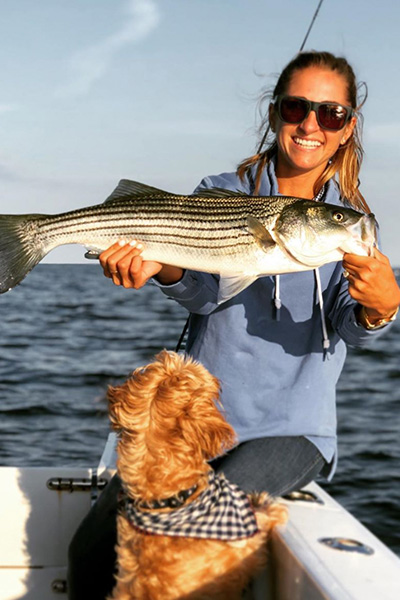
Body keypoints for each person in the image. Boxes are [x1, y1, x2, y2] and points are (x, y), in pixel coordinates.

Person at [67, 51, 400, 599]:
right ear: (274, 114)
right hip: (199, 420)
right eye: (297, 107)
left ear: (348, 127)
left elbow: (351, 323)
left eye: (331, 113)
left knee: (199, 528)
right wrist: (161, 266)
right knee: (91, 549)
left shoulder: (353, 221)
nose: (311, 124)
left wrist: (382, 305)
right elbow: (200, 294)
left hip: (291, 430)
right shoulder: (219, 189)